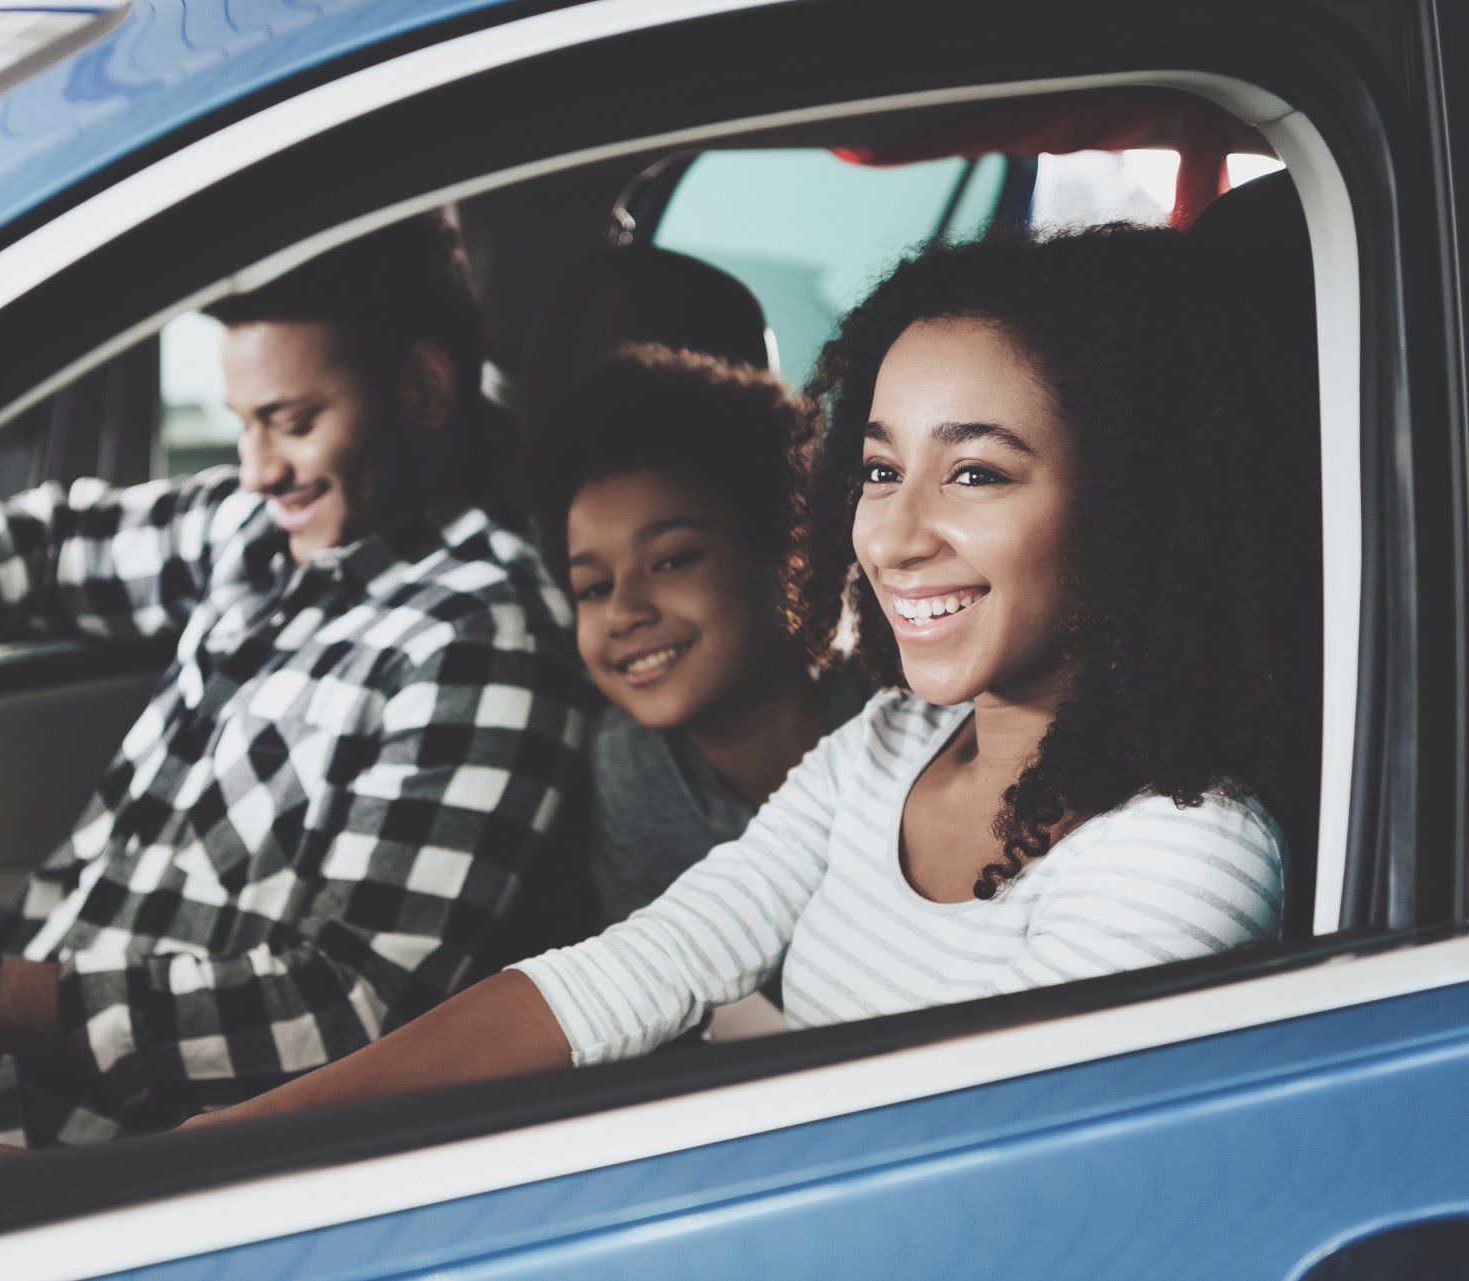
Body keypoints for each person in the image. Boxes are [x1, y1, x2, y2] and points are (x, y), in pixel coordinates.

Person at [174, 224, 1315, 1127]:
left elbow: (979, 1186)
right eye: (878, 468)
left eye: (974, 473)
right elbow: (637, 970)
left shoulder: (1183, 851)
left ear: (1130, 507)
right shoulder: (888, 749)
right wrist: (231, 1143)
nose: (895, 534)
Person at [0, 212, 590, 1147]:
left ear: (424, 388)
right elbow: (44, 542)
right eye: (242, 424)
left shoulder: (480, 636)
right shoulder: (259, 530)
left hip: (101, 1130)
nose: (257, 469)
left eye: (293, 422)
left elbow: (347, 1011)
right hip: (15, 1028)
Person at [543, 344, 868, 928]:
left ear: (789, 558)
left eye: (671, 561)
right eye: (592, 587)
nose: (622, 612)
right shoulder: (629, 765)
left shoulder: (892, 715)